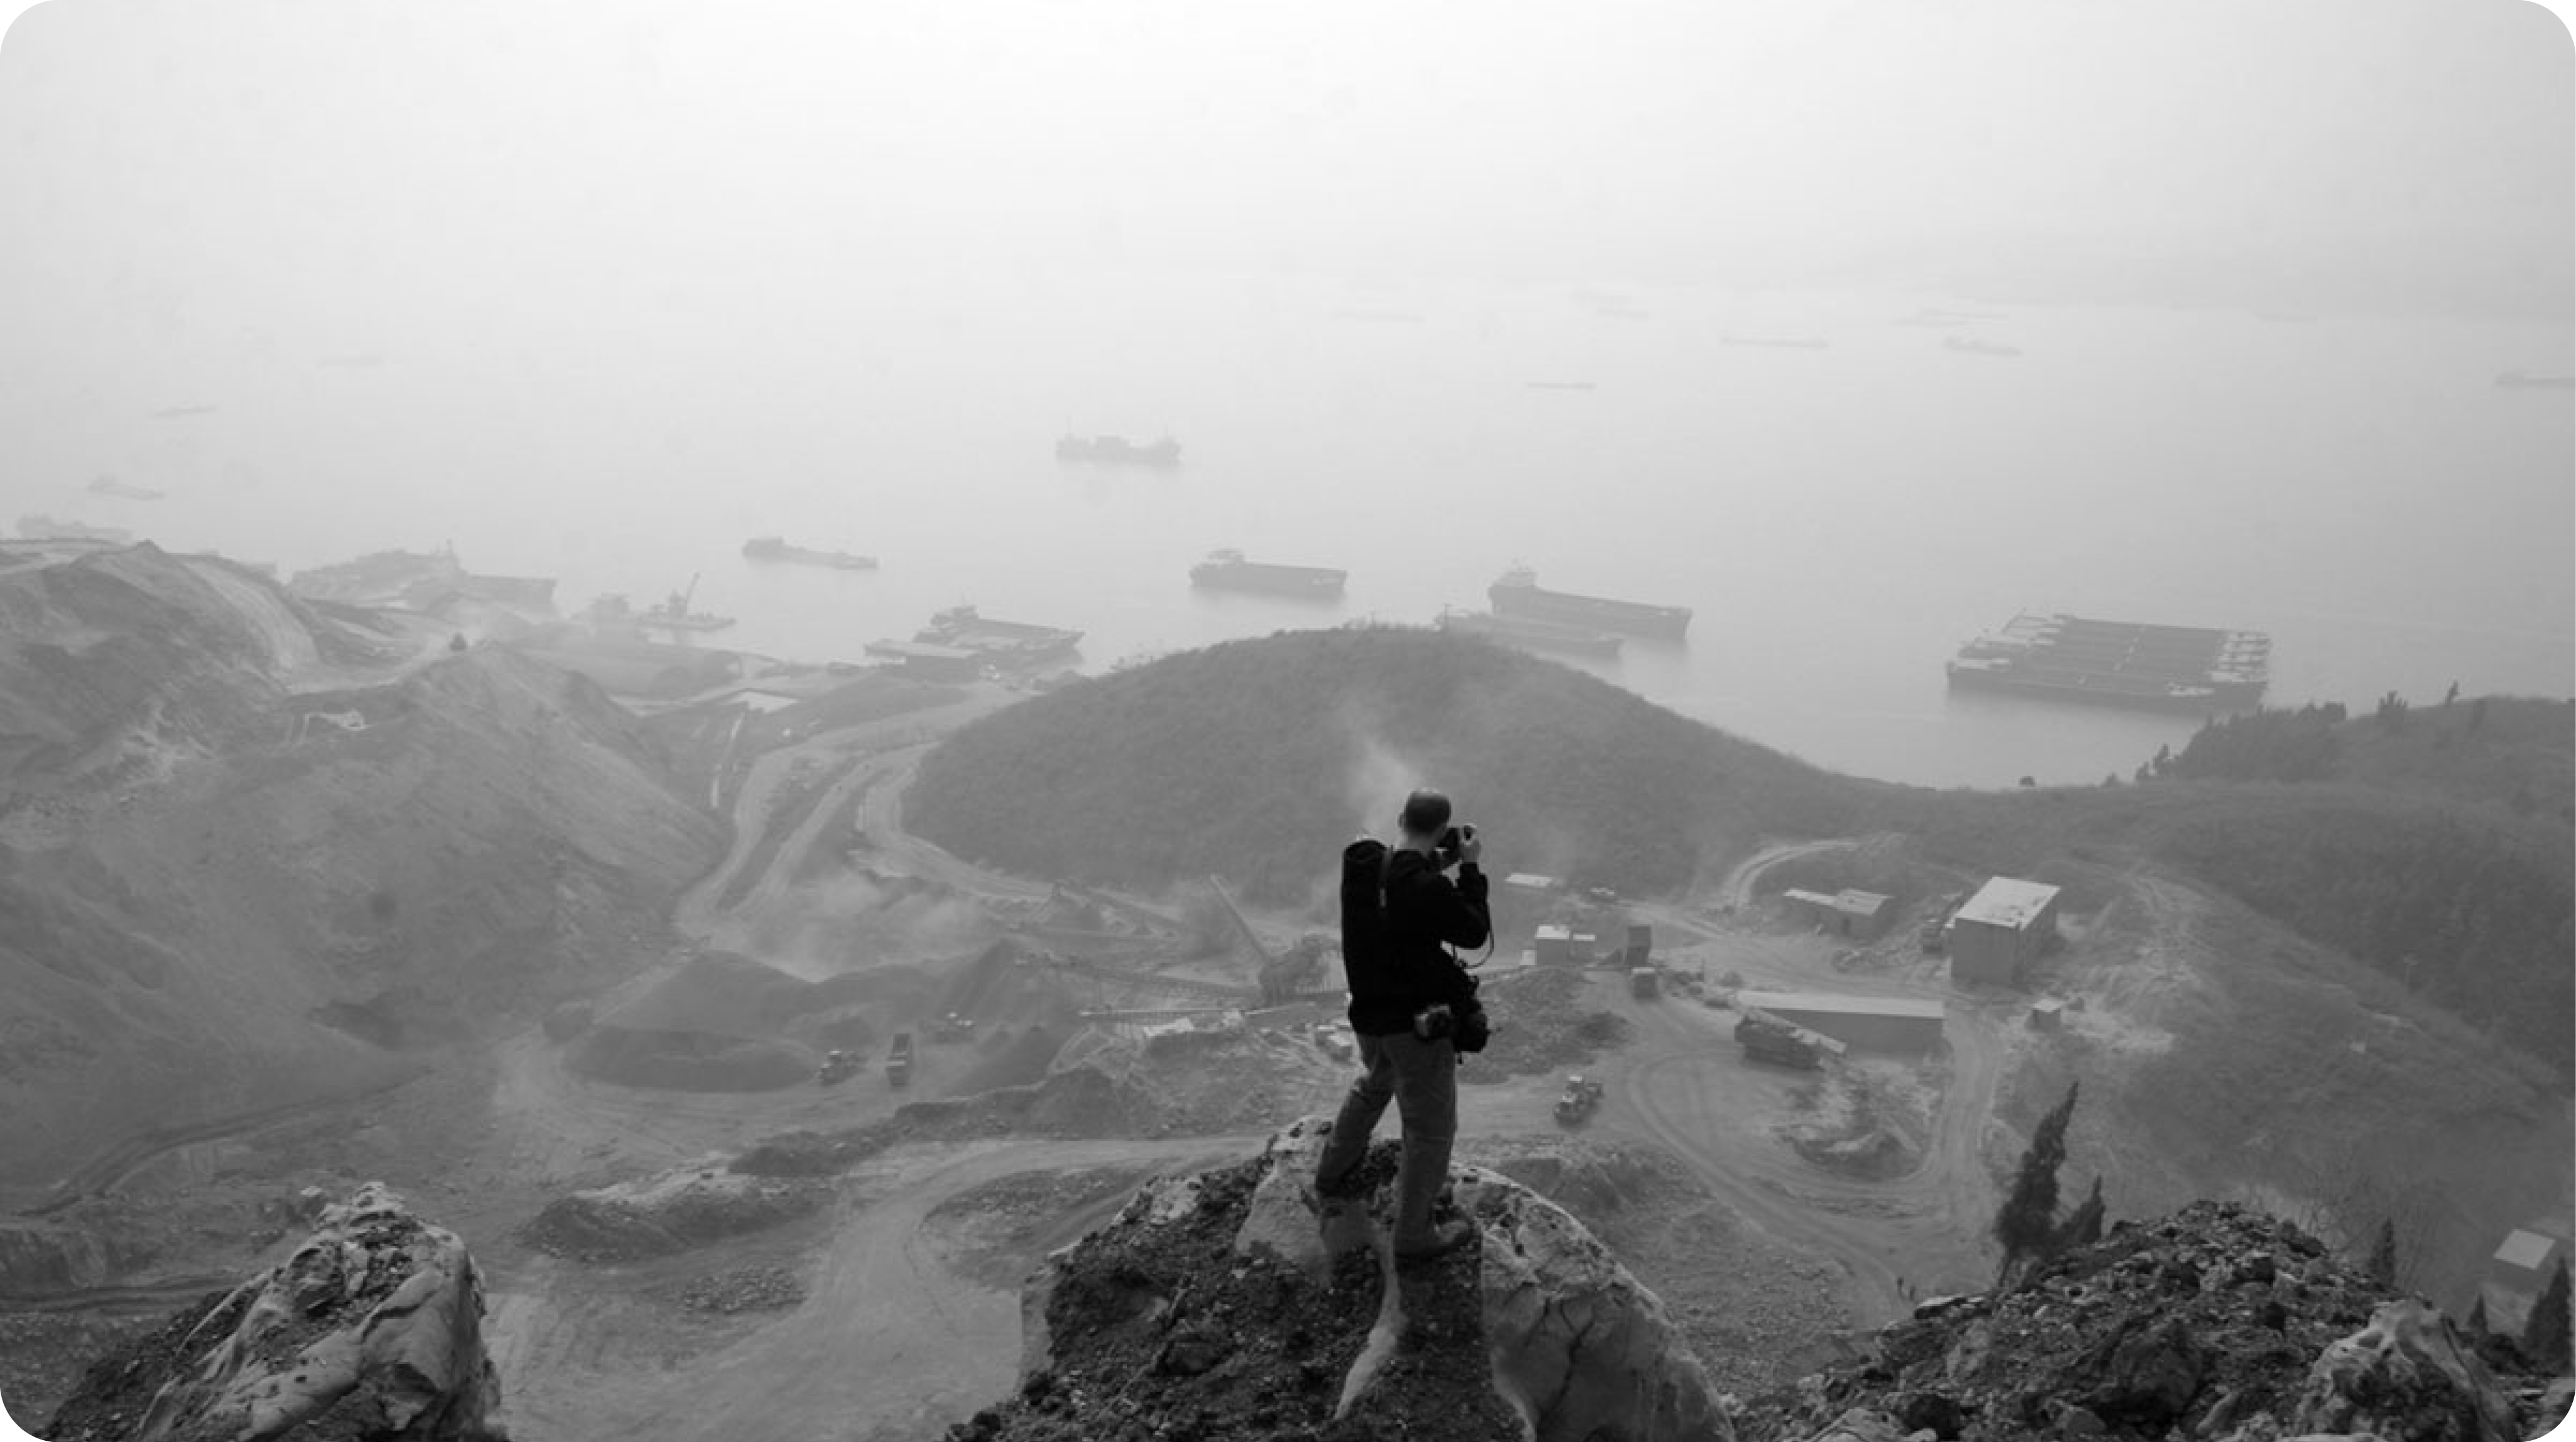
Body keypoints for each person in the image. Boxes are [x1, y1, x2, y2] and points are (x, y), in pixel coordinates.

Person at [1311, 786, 1490, 1261]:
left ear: (1400, 819)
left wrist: (1435, 859)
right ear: (1441, 829)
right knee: (1429, 1129)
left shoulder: (1362, 864)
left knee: (1374, 1083)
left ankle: (1330, 1173)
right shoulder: (1428, 889)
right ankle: (1414, 1236)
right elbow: (1473, 930)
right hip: (1414, 1029)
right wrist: (1469, 867)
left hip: (1368, 1018)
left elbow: (1400, 881)